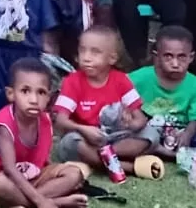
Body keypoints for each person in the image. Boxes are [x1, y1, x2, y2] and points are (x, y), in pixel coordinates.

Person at [0, 58, 88, 208]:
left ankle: (22, 203)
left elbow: (43, 163)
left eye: (41, 92)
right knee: (0, 185)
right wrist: (42, 201)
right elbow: (9, 169)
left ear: (49, 97)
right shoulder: (4, 125)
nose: (34, 100)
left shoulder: (45, 121)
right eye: (25, 91)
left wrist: (50, 181)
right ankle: (53, 202)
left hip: (31, 176)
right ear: (11, 94)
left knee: (74, 173)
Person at [50, 25, 143, 177]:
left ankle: (103, 157)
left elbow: (140, 119)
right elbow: (60, 121)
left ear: (112, 58)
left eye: (95, 52)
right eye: (82, 50)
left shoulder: (121, 80)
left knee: (150, 134)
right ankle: (125, 166)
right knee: (71, 142)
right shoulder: (72, 82)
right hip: (85, 138)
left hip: (115, 138)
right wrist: (83, 129)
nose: (86, 57)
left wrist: (130, 124)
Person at [126, 25, 196, 159]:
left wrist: (187, 135)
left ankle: (160, 151)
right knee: (131, 135)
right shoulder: (139, 78)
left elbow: (194, 120)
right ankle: (164, 152)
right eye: (168, 56)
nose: (175, 63)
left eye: (182, 57)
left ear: (191, 57)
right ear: (157, 56)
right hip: (146, 131)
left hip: (178, 133)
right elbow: (117, 91)